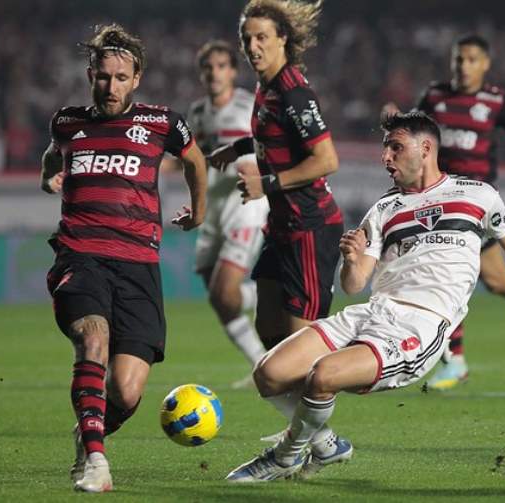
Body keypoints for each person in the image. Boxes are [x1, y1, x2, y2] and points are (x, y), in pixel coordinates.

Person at [224, 111, 505, 482]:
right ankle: (327, 444)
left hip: (420, 323)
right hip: (371, 312)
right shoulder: (384, 209)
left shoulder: (478, 195)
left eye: (396, 148)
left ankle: (285, 457)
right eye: (385, 150)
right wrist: (351, 260)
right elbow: (354, 284)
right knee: (268, 373)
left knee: (323, 375)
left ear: (426, 148)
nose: (386, 158)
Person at [40, 24, 207, 492]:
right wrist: (47, 177)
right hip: (80, 255)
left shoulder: (163, 123)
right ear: (91, 74)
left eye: (120, 78)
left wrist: (199, 212)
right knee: (93, 337)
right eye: (102, 77)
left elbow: (196, 160)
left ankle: (88, 432)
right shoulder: (68, 122)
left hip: (138, 266)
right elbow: (54, 157)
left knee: (128, 392)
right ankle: (97, 462)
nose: (110, 87)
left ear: (136, 78)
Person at [385, 34, 505, 390]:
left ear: (485, 64)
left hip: (476, 202)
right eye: (459, 59)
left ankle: (455, 360)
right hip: (441, 198)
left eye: (471, 59)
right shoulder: (434, 95)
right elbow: (413, 131)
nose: (463, 66)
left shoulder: (497, 100)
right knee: (495, 280)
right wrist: (396, 120)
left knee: (447, 267)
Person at [209, 0, 343, 352]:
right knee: (269, 330)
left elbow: (327, 159)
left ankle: (343, 379)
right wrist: (237, 150)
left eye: (262, 37)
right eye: (247, 38)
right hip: (282, 224)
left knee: (303, 348)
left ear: (282, 38)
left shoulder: (292, 93)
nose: (253, 47)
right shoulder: (265, 87)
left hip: (310, 226)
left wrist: (265, 184)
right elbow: (272, 134)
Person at [186, 40, 269, 388]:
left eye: (222, 66)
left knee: (224, 293)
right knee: (215, 291)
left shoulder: (249, 106)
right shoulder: (197, 113)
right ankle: (259, 362)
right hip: (215, 208)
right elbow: (194, 161)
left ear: (233, 71)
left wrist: (259, 177)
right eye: (209, 67)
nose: (215, 73)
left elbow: (265, 149)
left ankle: (265, 297)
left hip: (245, 206)